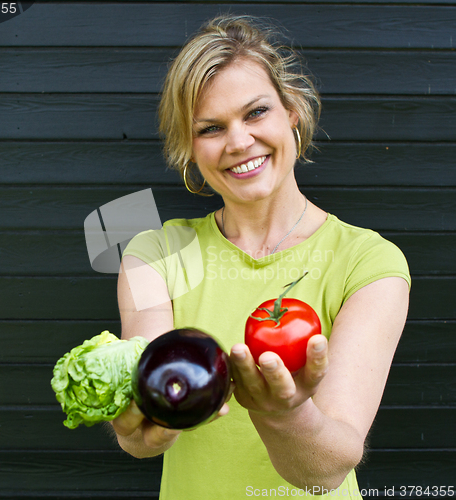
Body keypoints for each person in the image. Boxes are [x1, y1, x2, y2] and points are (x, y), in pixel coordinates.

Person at [110, 14, 410, 500]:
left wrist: (283, 412)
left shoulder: (369, 263)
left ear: (292, 111)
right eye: (211, 128)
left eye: (255, 113)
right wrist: (139, 423)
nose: (239, 142)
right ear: (190, 148)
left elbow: (326, 470)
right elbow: (144, 405)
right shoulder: (153, 255)